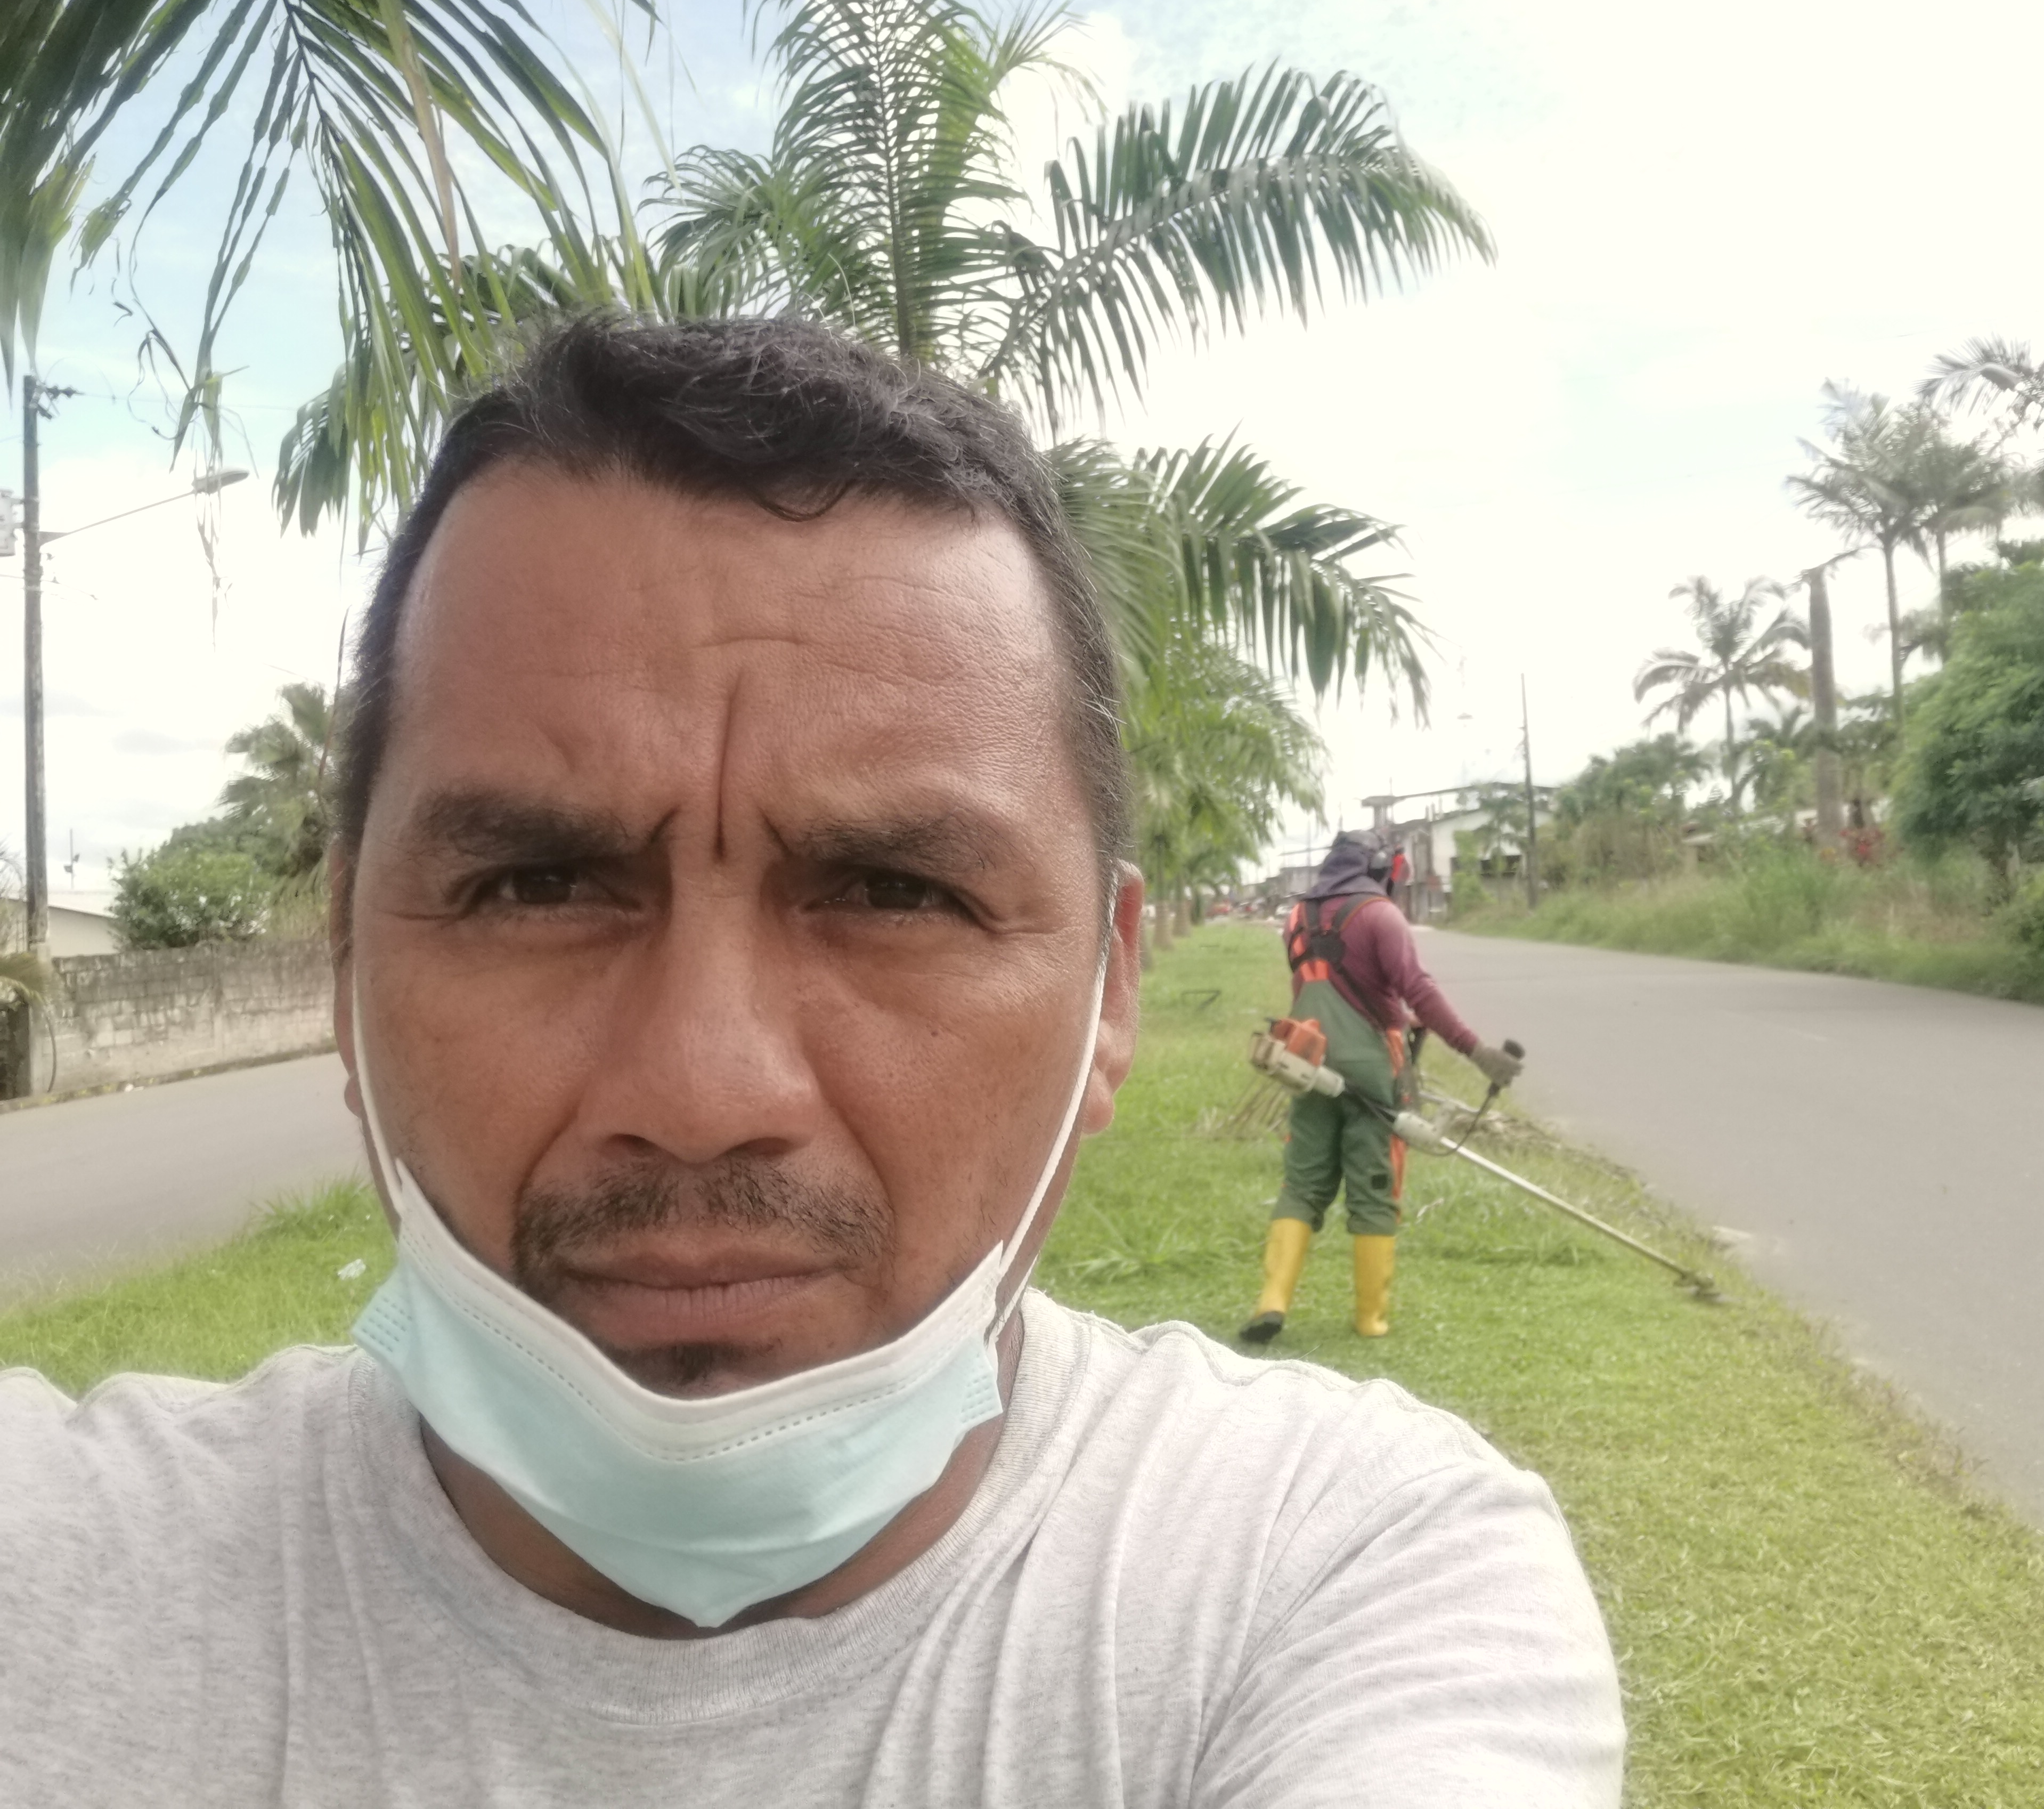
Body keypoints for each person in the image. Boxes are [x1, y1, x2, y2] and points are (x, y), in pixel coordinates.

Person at [0, 317, 1622, 1806]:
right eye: (539, 885)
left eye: (896, 893)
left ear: (1111, 991)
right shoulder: (55, 1568)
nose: (704, 1091)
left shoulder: (1344, 1579)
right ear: (348, 964)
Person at [1242, 831, 1524, 1343]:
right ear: (1378, 870)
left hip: (1305, 1058)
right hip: (1371, 1068)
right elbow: (1419, 989)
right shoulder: (1380, 916)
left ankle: (1272, 1301)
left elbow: (1323, 985)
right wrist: (1476, 1051)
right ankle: (1370, 1319)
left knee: (1302, 1184)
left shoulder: (1297, 916)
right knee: (1374, 1185)